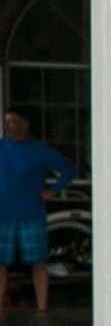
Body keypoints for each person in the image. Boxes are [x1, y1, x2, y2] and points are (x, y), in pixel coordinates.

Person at [0, 108, 77, 313]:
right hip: (2, 214)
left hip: (31, 214)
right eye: (6, 121)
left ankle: (42, 308)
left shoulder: (40, 151)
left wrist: (54, 190)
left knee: (38, 262)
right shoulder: (1, 147)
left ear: (26, 124)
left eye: (13, 121)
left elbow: (69, 168)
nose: (8, 126)